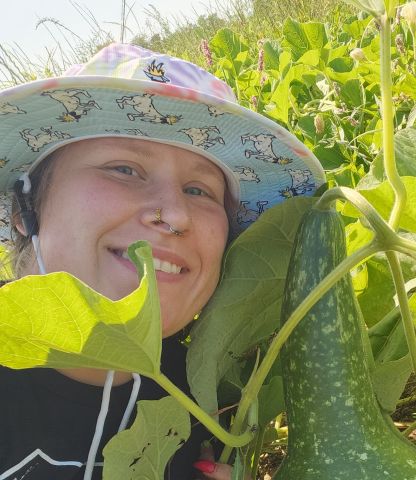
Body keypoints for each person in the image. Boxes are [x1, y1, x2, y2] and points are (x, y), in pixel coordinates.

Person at [0, 43, 324, 479]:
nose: (174, 215)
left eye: (199, 191)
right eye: (124, 170)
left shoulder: (209, 402)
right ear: (24, 210)